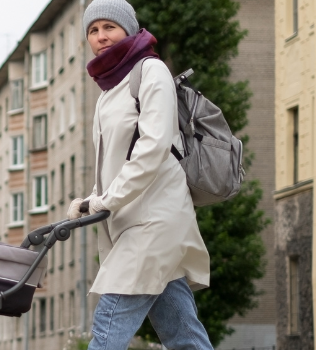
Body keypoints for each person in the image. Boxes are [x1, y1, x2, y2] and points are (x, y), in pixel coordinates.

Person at [67, 0, 213, 348]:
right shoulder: (108, 94)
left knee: (109, 322)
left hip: (155, 220)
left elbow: (153, 148)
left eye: (109, 28)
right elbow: (112, 163)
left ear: (128, 30)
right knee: (184, 336)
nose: (101, 37)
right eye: (93, 30)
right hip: (132, 222)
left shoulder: (151, 72)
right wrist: (91, 199)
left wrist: (106, 200)